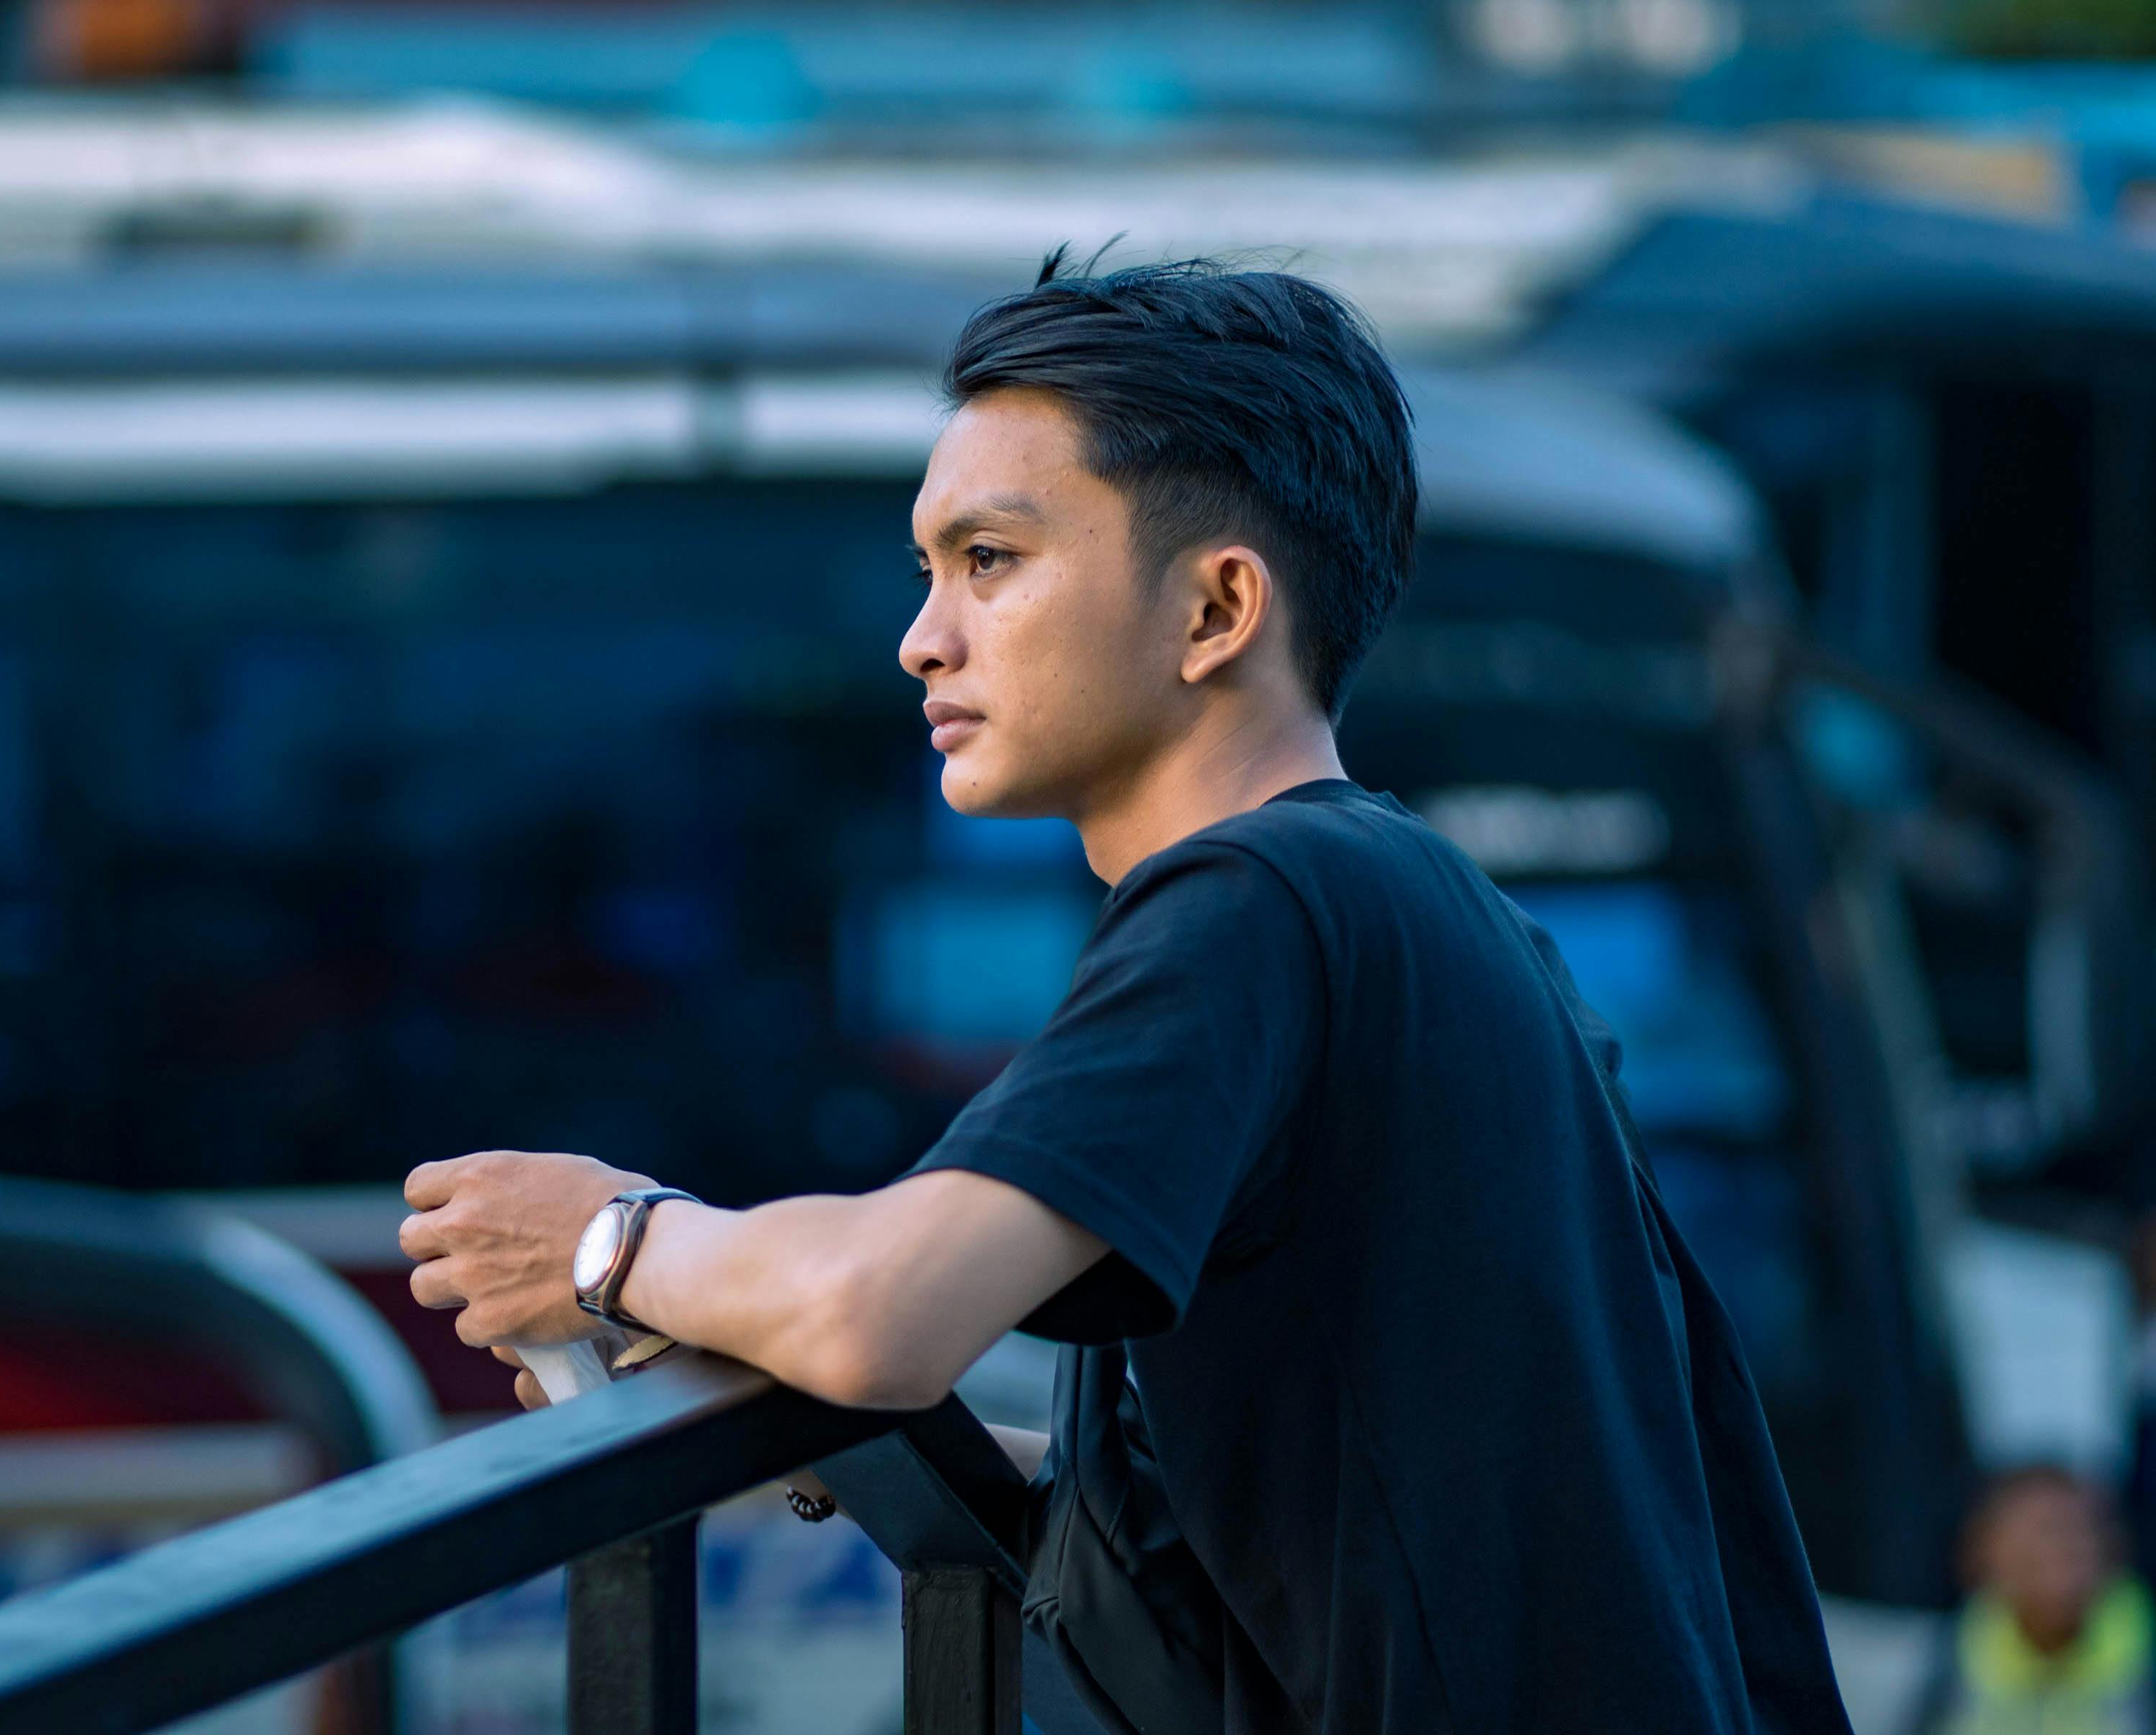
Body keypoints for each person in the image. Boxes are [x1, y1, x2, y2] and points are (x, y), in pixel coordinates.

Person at [395, 252, 1854, 1732]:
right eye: (929, 571)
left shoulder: (1260, 903)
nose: (924, 639)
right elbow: (1250, 1514)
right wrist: (774, 1383)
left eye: (992, 561)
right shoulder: (1428, 910)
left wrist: (605, 1243)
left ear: (1217, 609)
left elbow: (881, 1311)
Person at [1914, 1465, 2154, 1735]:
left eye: (2076, 1533)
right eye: (2039, 1536)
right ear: (1983, 1557)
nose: (2061, 1547)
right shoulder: (1950, 1659)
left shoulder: (2144, 1657)